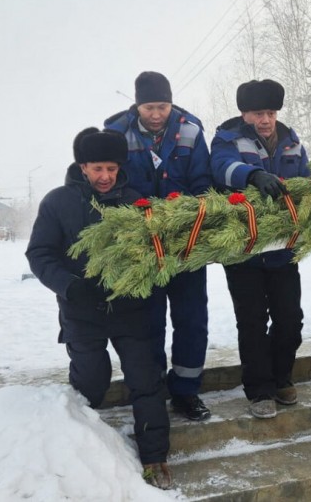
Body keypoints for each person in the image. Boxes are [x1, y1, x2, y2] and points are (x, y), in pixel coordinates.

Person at [25, 128, 172, 488]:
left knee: (146, 380)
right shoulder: (58, 202)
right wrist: (71, 286)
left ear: (120, 167)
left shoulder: (137, 202)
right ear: (82, 166)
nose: (105, 176)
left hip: (132, 312)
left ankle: (155, 458)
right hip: (81, 312)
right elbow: (40, 253)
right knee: (91, 380)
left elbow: (155, 251)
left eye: (111, 168)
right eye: (96, 168)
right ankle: (77, 450)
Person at [104, 71, 212, 422]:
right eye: (149, 107)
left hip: (185, 244)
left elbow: (203, 181)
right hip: (141, 246)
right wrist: (142, 212)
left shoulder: (191, 131)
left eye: (162, 106)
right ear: (137, 105)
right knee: (148, 322)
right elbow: (110, 183)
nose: (155, 114)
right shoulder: (116, 133)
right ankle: (150, 390)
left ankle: (185, 390)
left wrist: (186, 212)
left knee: (192, 320)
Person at [210, 79, 310, 419]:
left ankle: (282, 377)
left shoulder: (292, 143)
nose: (265, 120)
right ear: (244, 113)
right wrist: (252, 175)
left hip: (283, 250)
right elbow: (222, 168)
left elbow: (306, 180)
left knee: (290, 319)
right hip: (244, 251)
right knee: (251, 321)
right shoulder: (227, 139)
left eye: (270, 112)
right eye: (257, 113)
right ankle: (260, 389)